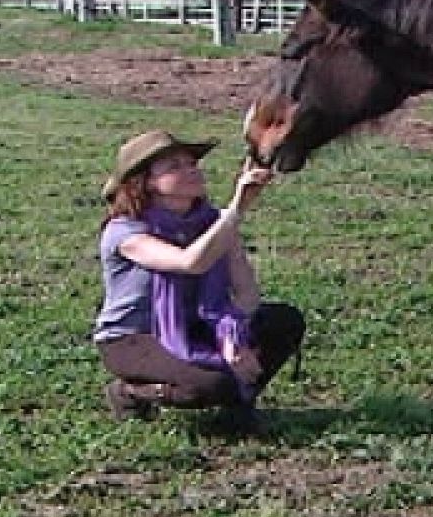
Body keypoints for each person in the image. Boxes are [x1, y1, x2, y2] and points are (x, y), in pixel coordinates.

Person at [92, 130, 304, 433]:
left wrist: (235, 335)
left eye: (192, 163)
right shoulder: (125, 231)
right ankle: (129, 393)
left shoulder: (213, 224)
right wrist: (237, 208)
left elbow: (246, 293)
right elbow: (190, 262)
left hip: (197, 327)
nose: (191, 169)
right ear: (146, 182)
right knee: (214, 383)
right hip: (133, 338)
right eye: (175, 166)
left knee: (282, 320)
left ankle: (237, 408)